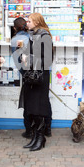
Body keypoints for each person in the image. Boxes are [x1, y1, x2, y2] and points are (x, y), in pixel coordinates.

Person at [21, 13, 53, 151]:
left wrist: (28, 59)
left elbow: (47, 59)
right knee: (31, 108)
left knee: (38, 108)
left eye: (29, 21)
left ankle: (41, 138)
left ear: (37, 22)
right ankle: (35, 136)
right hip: (32, 77)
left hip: (39, 78)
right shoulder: (34, 36)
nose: (26, 23)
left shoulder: (44, 36)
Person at [10, 17, 31, 138]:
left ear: (14, 28)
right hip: (38, 73)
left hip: (27, 75)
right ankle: (43, 129)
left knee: (27, 102)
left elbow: (17, 61)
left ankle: (28, 130)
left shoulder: (15, 40)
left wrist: (24, 73)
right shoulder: (33, 36)